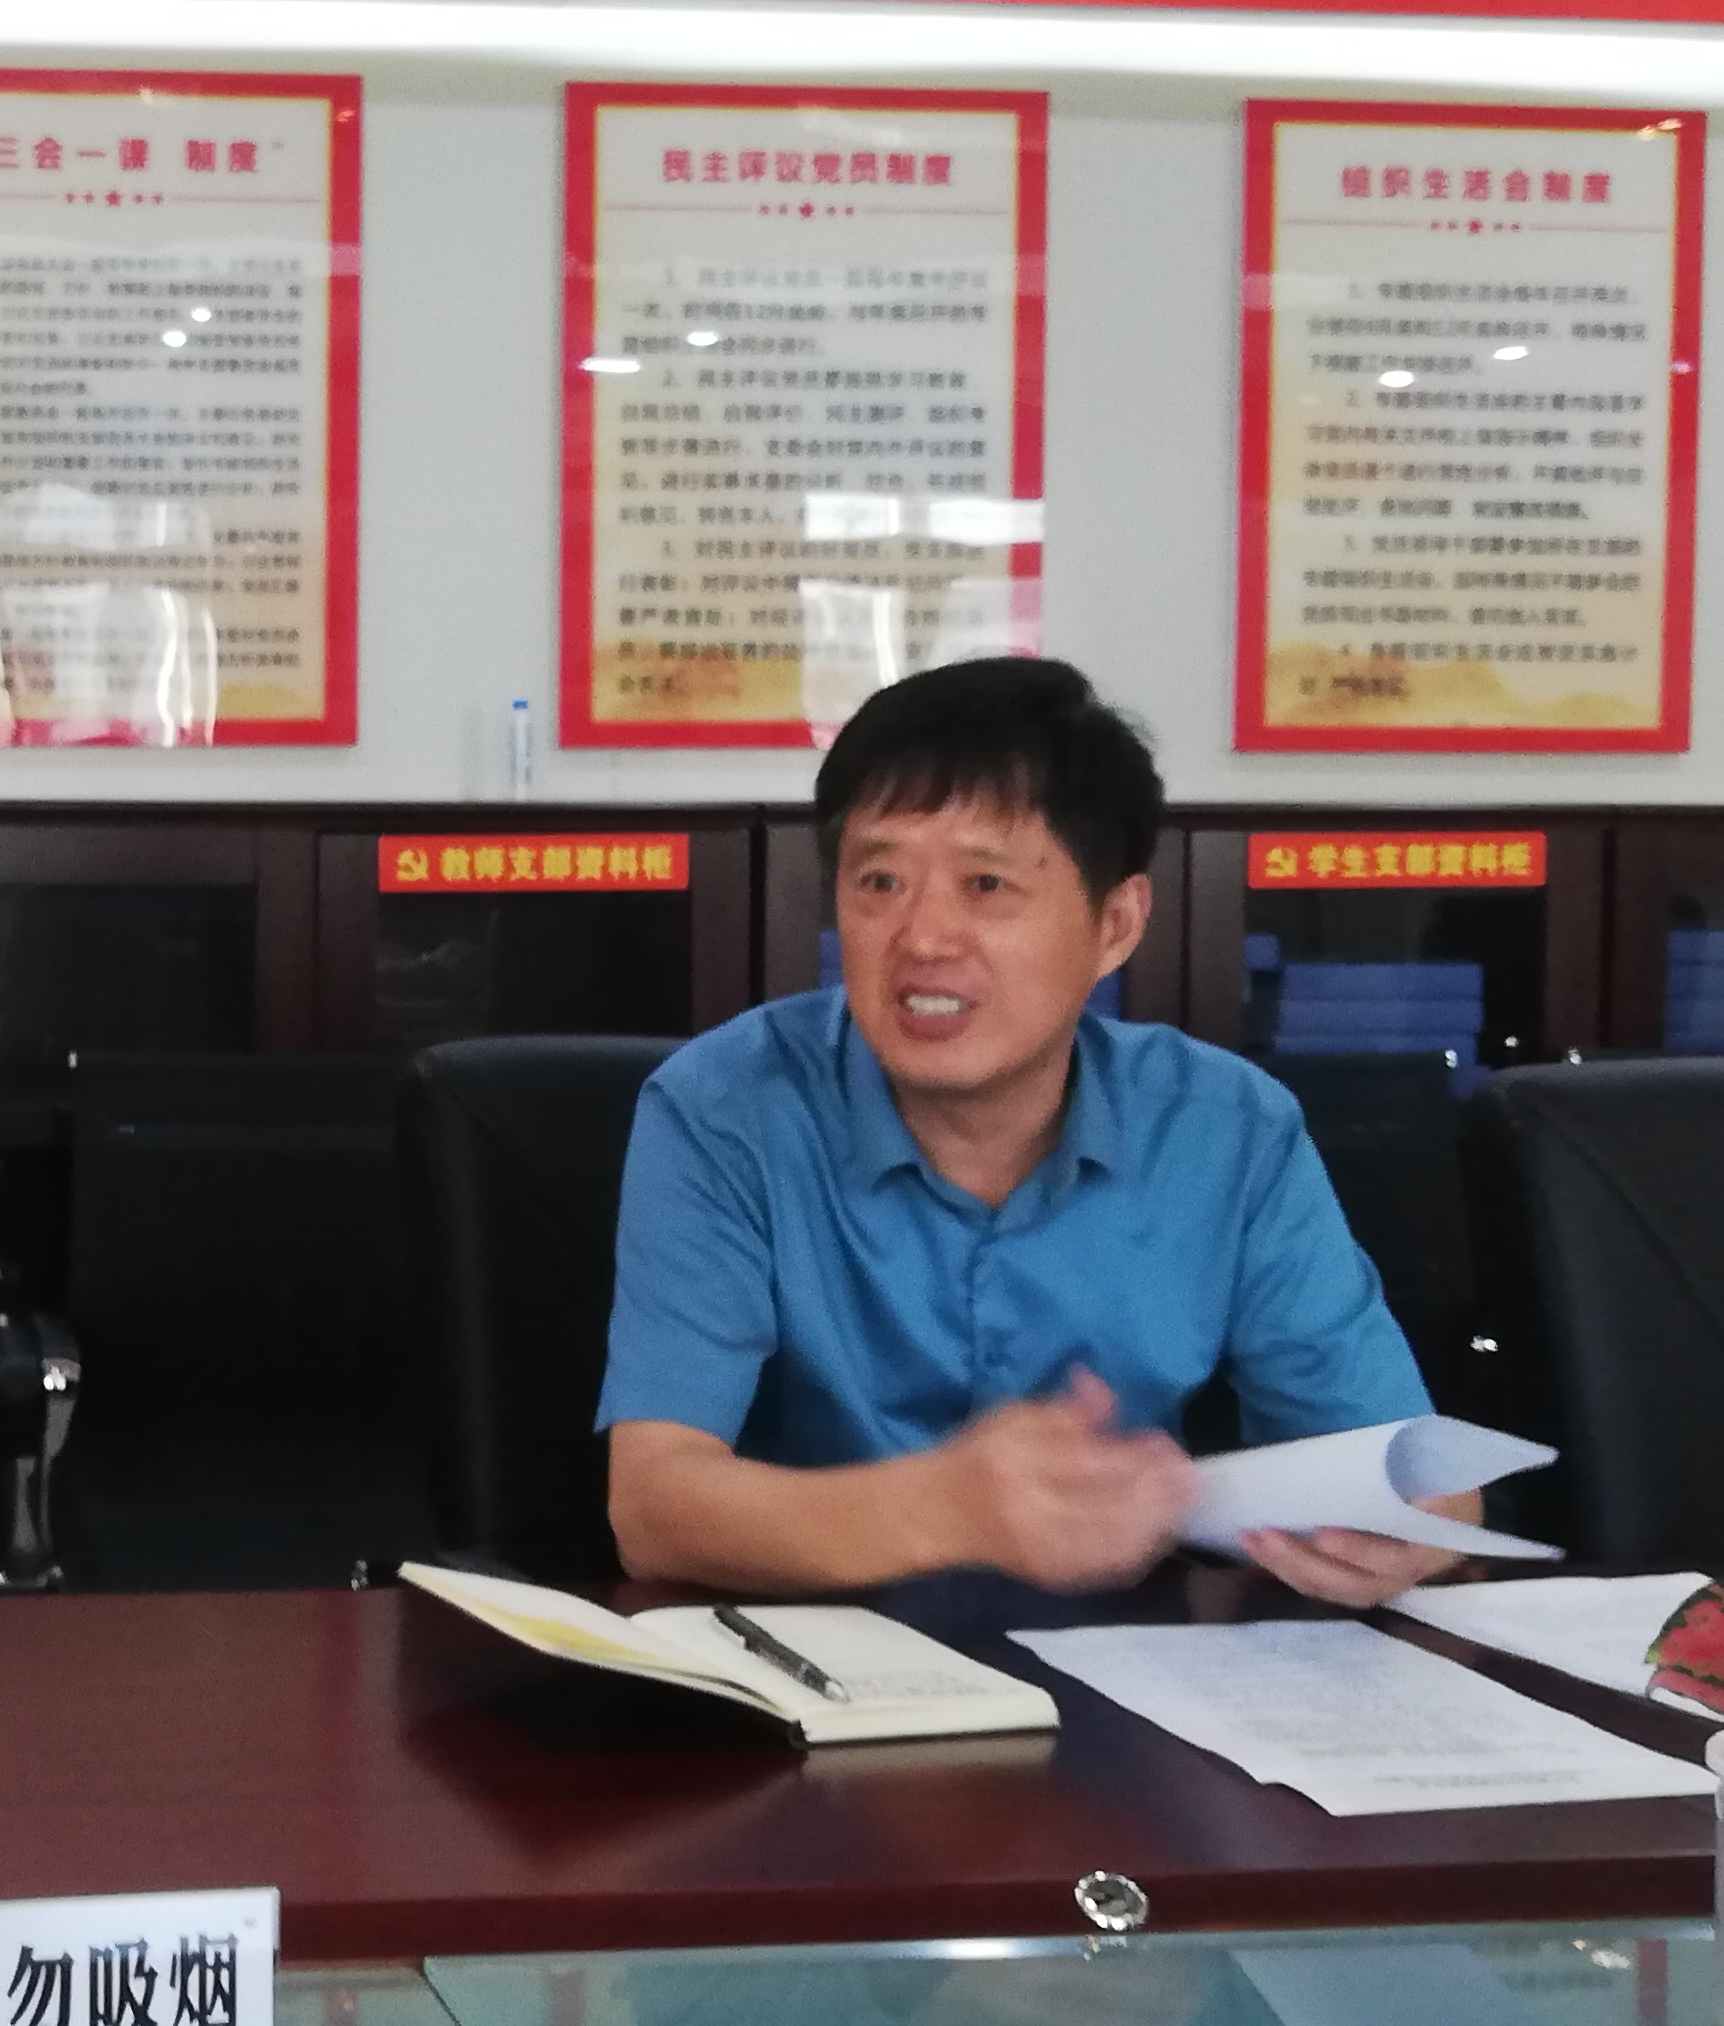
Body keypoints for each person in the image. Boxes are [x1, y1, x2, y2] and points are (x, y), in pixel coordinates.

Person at [599, 655, 1473, 1610]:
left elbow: (1413, 1474)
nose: (923, 937)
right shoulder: (724, 1109)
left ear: (1117, 923)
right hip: (811, 1658)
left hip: (1131, 1667)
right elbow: (653, 1509)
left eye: (986, 883)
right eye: (879, 881)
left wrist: (1408, 1530)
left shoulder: (1228, 1130)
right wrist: (947, 1509)